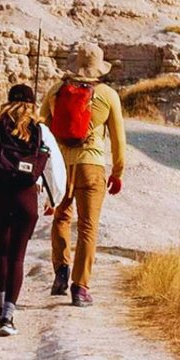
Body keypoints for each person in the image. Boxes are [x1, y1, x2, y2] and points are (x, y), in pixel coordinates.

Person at [0, 83, 67, 336]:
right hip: (26, 198)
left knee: (1, 253)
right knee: (18, 256)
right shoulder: (41, 131)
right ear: (32, 104)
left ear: (8, 102)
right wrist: (54, 199)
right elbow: (56, 167)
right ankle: (8, 316)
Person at [39, 42, 126, 308]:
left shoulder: (56, 90)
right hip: (92, 165)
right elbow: (118, 139)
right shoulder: (108, 94)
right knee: (88, 226)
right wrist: (118, 171)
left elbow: (41, 126)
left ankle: (61, 270)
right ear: (99, 67)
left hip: (62, 166)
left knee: (61, 217)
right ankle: (80, 287)